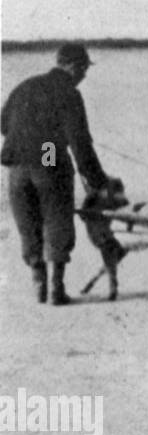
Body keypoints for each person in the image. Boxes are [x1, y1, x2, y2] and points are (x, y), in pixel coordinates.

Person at [1, 43, 109, 304]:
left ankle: (38, 286)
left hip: (17, 164)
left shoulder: (25, 86)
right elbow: (79, 142)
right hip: (46, 158)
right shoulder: (69, 93)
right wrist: (97, 181)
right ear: (74, 67)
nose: (84, 76)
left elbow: (3, 123)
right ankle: (55, 289)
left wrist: (29, 136)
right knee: (56, 217)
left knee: (28, 225)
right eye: (84, 70)